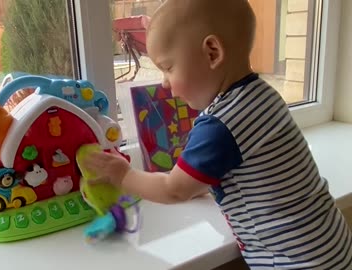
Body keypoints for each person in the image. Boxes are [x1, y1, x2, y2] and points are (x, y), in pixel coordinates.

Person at [85, 0, 352, 268]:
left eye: (168, 67)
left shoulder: (220, 125)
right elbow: (241, 171)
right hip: (331, 245)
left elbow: (174, 189)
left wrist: (123, 175)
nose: (165, 82)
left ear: (212, 53)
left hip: (293, 262)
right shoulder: (264, 95)